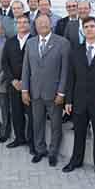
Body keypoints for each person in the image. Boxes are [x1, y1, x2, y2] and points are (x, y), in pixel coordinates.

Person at [63, 17, 95, 182]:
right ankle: (76, 160)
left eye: (92, 26)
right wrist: (68, 101)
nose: (89, 29)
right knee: (79, 133)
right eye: (86, 27)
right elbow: (71, 77)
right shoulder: (76, 51)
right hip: (79, 100)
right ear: (83, 30)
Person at [22, 15, 70, 166]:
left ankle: (53, 152)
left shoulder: (62, 43)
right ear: (35, 26)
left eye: (45, 23)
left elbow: (65, 70)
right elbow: (26, 69)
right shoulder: (30, 43)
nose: (42, 25)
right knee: (37, 123)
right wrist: (24, 90)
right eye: (39, 23)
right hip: (35, 92)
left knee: (56, 125)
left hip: (54, 93)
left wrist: (61, 92)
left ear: (51, 24)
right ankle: (40, 149)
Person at [2, 15, 35, 153]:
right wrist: (13, 80)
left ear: (29, 24)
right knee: (16, 112)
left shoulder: (34, 40)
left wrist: (25, 81)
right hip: (14, 85)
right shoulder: (10, 42)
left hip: (30, 85)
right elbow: (5, 63)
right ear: (16, 25)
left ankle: (32, 143)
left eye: (24, 22)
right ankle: (19, 138)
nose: (22, 25)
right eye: (19, 22)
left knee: (32, 115)